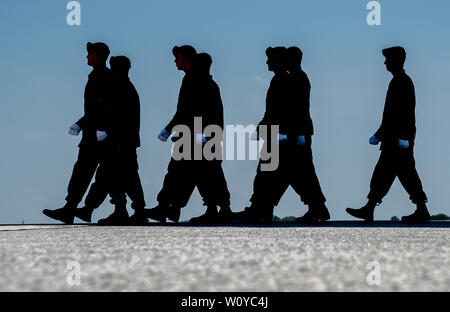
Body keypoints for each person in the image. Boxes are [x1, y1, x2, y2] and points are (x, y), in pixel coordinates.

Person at [235, 46, 328, 222]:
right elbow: (272, 111)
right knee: (282, 173)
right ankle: (263, 208)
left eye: (271, 59)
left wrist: (288, 133)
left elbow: (290, 110)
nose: (267, 62)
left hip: (286, 135)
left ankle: (262, 209)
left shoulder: (292, 79)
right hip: (283, 134)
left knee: (288, 173)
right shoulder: (284, 78)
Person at [144, 47, 232, 223]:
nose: (175, 61)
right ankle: (175, 208)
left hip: (197, 137)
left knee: (193, 173)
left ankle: (172, 208)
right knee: (195, 173)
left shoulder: (194, 81)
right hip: (197, 136)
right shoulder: (206, 83)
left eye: (178, 58)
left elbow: (186, 110)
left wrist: (170, 129)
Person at [43, 42, 126, 224]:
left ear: (97, 55)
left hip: (99, 137)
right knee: (89, 172)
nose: (87, 57)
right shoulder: (97, 76)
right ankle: (71, 208)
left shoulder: (104, 77)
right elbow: (93, 110)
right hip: (92, 135)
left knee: (103, 174)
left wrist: (102, 129)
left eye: (90, 54)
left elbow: (108, 106)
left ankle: (116, 209)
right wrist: (80, 124)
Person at [346, 46, 430, 222]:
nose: (385, 63)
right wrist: (381, 134)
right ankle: (371, 208)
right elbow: (391, 115)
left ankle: (418, 209)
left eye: (388, 59)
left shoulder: (402, 82)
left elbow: (402, 113)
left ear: (395, 61)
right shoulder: (398, 81)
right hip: (395, 138)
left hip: (398, 139)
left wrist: (403, 138)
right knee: (392, 174)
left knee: (398, 174)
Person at [74, 56, 148, 225]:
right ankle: (118, 210)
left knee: (120, 177)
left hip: (120, 142)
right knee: (114, 176)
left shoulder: (120, 88)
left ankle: (128, 211)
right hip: (122, 141)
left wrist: (105, 131)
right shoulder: (126, 87)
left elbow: (113, 114)